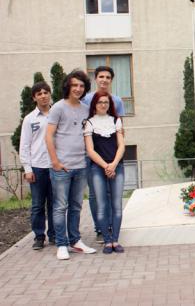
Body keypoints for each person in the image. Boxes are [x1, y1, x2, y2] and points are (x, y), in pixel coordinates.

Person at [46, 70, 97, 260]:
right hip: (62, 167)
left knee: (76, 206)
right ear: (68, 86)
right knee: (60, 206)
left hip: (81, 165)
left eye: (82, 86)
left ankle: (75, 241)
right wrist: (55, 162)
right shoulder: (58, 108)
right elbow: (48, 136)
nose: (78, 88)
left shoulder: (86, 109)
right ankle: (61, 243)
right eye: (74, 85)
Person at [82, 66, 125, 244]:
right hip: (92, 154)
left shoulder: (117, 100)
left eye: (108, 77)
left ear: (111, 80)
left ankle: (110, 228)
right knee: (95, 194)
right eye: (101, 76)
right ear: (95, 78)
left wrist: (114, 160)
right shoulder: (85, 99)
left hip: (112, 155)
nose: (104, 80)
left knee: (111, 194)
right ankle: (100, 229)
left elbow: (121, 128)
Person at [19, 81, 55, 250]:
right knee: (37, 205)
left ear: (50, 94)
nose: (43, 96)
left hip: (55, 166)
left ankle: (54, 235)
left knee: (55, 204)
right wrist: (27, 168)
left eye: (45, 92)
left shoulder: (57, 113)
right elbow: (24, 145)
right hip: (37, 168)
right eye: (39, 94)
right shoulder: (29, 119)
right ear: (34, 98)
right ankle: (39, 236)